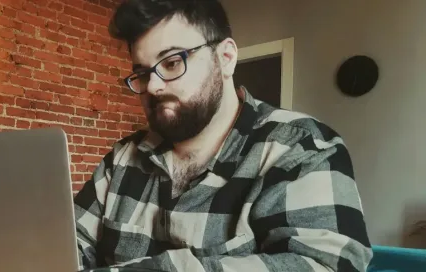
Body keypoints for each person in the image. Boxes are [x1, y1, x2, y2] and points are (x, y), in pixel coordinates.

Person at [72, 0, 373, 271]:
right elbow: (68, 245)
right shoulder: (123, 158)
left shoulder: (302, 148)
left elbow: (328, 265)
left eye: (172, 62)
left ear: (226, 57)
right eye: (141, 73)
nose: (152, 86)